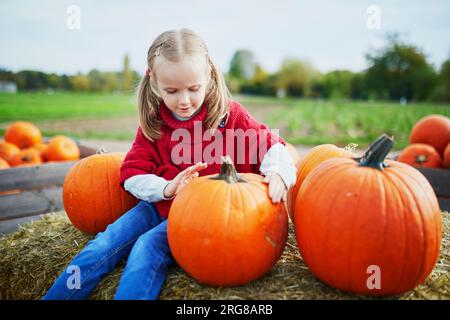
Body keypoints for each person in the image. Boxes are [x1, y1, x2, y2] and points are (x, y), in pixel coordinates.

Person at [43, 28, 296, 300]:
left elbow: (272, 146)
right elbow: (132, 173)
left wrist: (279, 173)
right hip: (156, 205)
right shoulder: (155, 124)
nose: (184, 100)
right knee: (103, 244)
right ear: (154, 82)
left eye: (193, 88)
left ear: (209, 75)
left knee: (145, 248)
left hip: (199, 220)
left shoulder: (230, 116)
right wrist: (166, 189)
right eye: (172, 91)